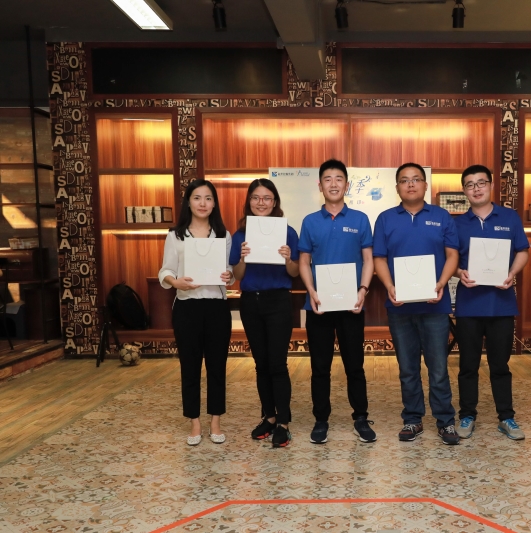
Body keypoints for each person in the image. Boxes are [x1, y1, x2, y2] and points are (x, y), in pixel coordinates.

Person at [373, 162, 461, 445]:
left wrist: (441, 283)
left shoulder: (441, 216)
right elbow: (379, 258)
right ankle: (412, 419)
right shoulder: (385, 219)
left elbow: (452, 255)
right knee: (407, 368)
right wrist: (389, 286)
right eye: (404, 180)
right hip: (400, 307)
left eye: (416, 179)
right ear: (397, 187)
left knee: (438, 368)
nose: (410, 184)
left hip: (435, 305)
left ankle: (445, 421)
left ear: (425, 185)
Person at [298, 159, 376, 444]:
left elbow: (368, 259)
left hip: (351, 304)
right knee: (320, 367)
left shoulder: (360, 219)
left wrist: (363, 290)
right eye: (327, 179)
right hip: (319, 305)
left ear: (347, 185)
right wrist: (311, 290)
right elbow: (304, 262)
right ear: (320, 185)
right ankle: (321, 420)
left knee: (355, 364)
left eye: (339, 179)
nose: (333, 184)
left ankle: (361, 418)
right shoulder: (310, 221)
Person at [453, 164, 529, 440]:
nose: (476, 189)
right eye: (470, 184)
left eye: (481, 183)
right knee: (468, 365)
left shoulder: (509, 217)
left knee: (500, 365)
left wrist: (512, 273)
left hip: (501, 304)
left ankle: (506, 417)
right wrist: (458, 272)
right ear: (464, 191)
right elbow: (449, 259)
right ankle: (467, 415)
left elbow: (523, 251)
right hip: (469, 305)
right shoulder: (457, 223)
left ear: (491, 185)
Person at [158, 179, 234, 446]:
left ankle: (216, 421)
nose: (203, 203)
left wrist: (229, 276)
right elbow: (165, 270)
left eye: (208, 198)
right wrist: (175, 282)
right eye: (197, 198)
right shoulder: (175, 235)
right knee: (189, 367)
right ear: (188, 202)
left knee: (217, 367)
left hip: (216, 307)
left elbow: (229, 273)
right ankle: (194, 423)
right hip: (187, 307)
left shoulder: (223, 235)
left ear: (214, 204)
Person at [230, 179, 298, 448]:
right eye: (256, 198)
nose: (261, 203)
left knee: (277, 364)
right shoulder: (240, 234)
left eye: (267, 198)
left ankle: (284, 423)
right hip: (251, 302)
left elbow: (294, 272)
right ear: (249, 201)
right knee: (261, 364)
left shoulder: (287, 232)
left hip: (279, 301)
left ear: (275, 202)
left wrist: (288, 258)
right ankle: (269, 417)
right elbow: (237, 275)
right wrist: (242, 258)